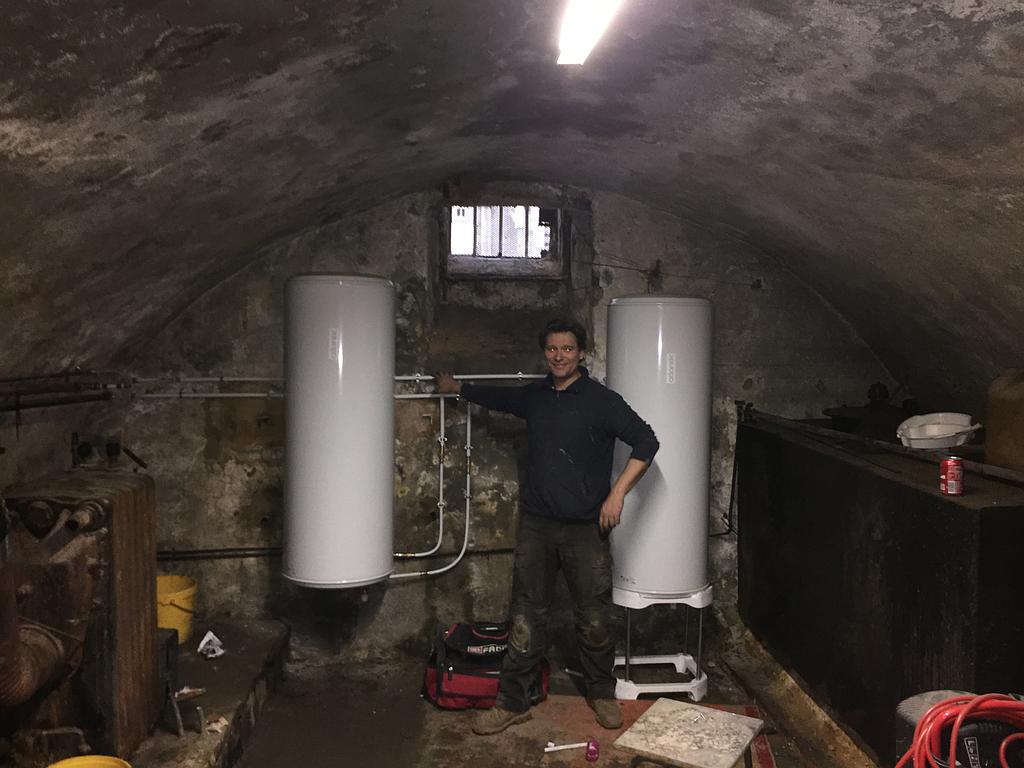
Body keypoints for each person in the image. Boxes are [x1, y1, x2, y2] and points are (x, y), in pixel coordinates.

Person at [435, 318, 659, 735]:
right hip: (537, 527)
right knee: (525, 617)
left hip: (585, 530)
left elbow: (647, 441)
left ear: (581, 353)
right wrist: (457, 387)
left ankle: (601, 693)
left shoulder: (602, 401)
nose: (559, 356)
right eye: (552, 349)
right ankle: (512, 702)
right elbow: (498, 397)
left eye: (567, 349)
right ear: (545, 353)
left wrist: (617, 494)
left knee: (594, 618)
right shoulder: (535, 397)